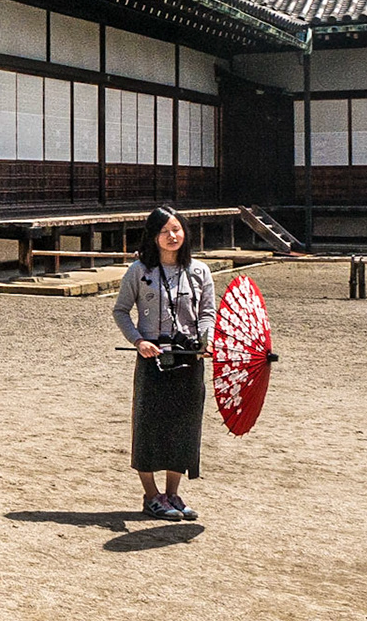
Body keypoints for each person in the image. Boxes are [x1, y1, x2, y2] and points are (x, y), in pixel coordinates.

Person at [112, 206, 218, 521]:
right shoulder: (139, 271)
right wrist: (138, 340)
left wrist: (204, 341)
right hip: (153, 357)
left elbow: (208, 311)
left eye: (177, 229)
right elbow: (120, 310)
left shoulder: (199, 271)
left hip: (189, 356)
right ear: (153, 236)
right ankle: (151, 495)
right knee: (148, 424)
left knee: (183, 426)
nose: (172, 236)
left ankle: (173, 493)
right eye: (164, 231)